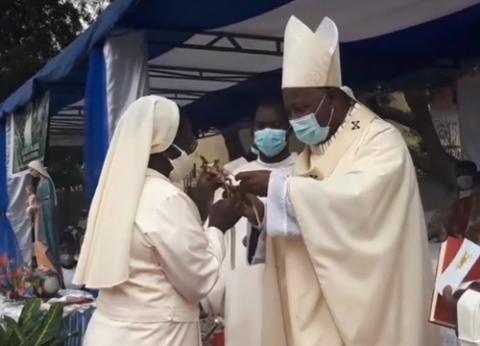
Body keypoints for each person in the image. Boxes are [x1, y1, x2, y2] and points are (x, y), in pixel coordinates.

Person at [236, 16, 439, 345]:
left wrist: (279, 189)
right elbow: (309, 222)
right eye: (291, 112)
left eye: (300, 108)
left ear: (332, 96)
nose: (295, 120)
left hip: (370, 318)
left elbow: (358, 207)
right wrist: (264, 214)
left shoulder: (379, 141)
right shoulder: (312, 150)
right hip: (311, 318)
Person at [73, 96, 242, 346]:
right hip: (154, 335)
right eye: (188, 137)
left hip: (109, 330)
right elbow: (198, 280)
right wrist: (217, 226)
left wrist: (199, 209)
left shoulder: (116, 192)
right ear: (165, 144)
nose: (193, 146)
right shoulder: (166, 198)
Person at [201, 98, 297, 346]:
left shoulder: (304, 173)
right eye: (261, 125)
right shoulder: (235, 178)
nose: (267, 132)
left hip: (292, 283)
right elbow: (220, 237)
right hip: (244, 288)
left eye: (274, 125)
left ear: (288, 128)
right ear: (252, 131)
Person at [28, 160, 62, 283]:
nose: (31, 173)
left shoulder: (46, 183)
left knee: (44, 241)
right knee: (38, 241)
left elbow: (48, 203)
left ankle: (50, 268)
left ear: (37, 170)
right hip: (40, 218)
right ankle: (43, 265)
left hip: (44, 219)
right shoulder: (40, 183)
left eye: (32, 170)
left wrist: (37, 206)